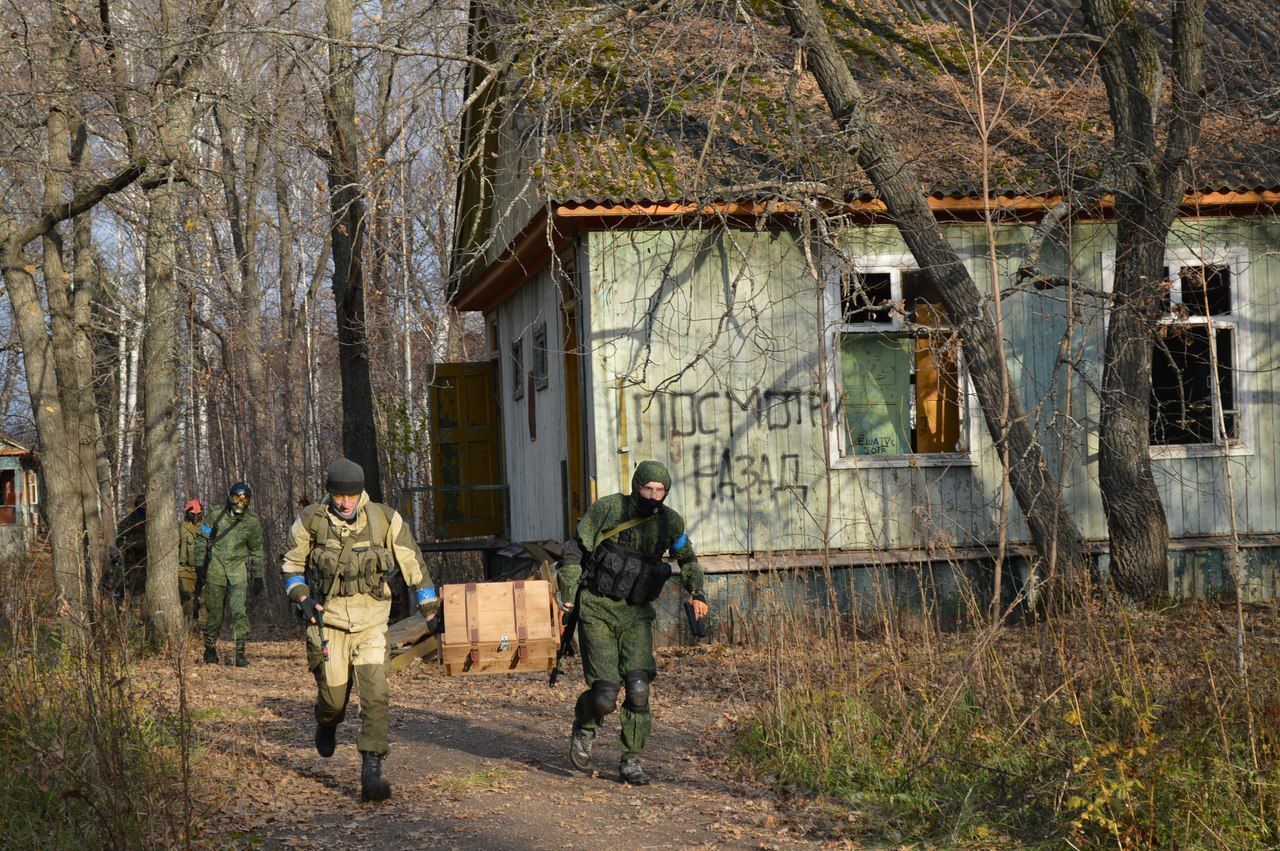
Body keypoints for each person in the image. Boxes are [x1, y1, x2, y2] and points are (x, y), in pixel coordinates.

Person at [281, 458, 438, 803]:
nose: (346, 502)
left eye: (352, 495)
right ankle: (326, 721)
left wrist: (430, 611)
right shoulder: (311, 521)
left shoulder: (384, 519)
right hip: (330, 623)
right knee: (334, 700)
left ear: (361, 492)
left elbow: (414, 564)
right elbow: (291, 565)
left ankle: (372, 771)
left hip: (372, 623)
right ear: (330, 493)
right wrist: (302, 597)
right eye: (340, 496)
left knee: (376, 695)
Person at [557, 460, 710, 785]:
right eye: (648, 489)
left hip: (636, 612)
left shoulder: (670, 522)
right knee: (605, 695)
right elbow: (573, 550)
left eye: (660, 490)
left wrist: (697, 592)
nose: (653, 496)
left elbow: (687, 557)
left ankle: (631, 759)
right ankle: (585, 725)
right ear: (636, 486)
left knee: (639, 689)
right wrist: (568, 596)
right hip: (597, 607)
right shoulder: (609, 509)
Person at [196, 482, 265, 667]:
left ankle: (240, 653)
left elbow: (257, 550)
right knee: (214, 615)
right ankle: (210, 649)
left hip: (237, 573)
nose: (240, 503)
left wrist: (258, 576)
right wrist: (199, 565)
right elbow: (202, 538)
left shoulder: (252, 521)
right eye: (236, 498)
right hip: (215, 572)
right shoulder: (216, 514)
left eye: (244, 499)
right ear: (230, 497)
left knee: (238, 612)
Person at [178, 499, 203, 622]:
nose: (196, 517)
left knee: (203, 602)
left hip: (203, 571)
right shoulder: (181, 528)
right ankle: (190, 630)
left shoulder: (206, 527)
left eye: (199, 514)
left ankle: (204, 634)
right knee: (188, 600)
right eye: (193, 514)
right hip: (186, 570)